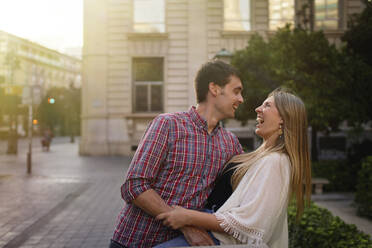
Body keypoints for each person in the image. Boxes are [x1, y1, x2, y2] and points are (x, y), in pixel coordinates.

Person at [110, 60, 245, 248]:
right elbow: (134, 185)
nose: (241, 99)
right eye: (236, 91)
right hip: (135, 241)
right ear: (214, 88)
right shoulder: (168, 124)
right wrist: (188, 227)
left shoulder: (230, 143)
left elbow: (249, 183)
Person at [156, 88, 312, 248]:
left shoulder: (276, 161)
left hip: (218, 239)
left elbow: (247, 223)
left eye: (267, 105)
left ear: (283, 120)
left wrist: (188, 217)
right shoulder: (258, 156)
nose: (257, 109)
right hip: (210, 231)